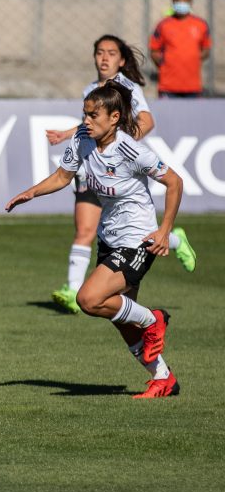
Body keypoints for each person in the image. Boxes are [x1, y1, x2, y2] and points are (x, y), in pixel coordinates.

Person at [6, 81, 183, 399]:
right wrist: (31, 192)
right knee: (121, 319)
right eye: (84, 114)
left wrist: (164, 231)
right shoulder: (82, 140)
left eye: (93, 115)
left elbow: (174, 182)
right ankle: (163, 379)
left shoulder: (131, 150)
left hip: (138, 238)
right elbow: (62, 176)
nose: (86, 121)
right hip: (110, 238)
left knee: (88, 300)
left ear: (114, 117)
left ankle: (154, 318)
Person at [45, 34, 196, 314]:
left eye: (111, 53)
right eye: (99, 52)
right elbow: (88, 126)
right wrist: (68, 135)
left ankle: (172, 239)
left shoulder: (127, 88)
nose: (104, 58)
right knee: (84, 229)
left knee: (128, 282)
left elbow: (147, 121)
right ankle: (72, 289)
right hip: (90, 164)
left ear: (122, 59)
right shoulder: (91, 88)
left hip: (117, 170)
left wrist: (118, 144)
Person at [149, 0, 211, 97]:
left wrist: (193, 58)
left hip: (193, 87)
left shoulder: (201, 24)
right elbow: (154, 50)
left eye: (185, 1)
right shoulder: (163, 25)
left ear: (191, 2)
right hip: (167, 87)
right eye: (178, 0)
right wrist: (165, 63)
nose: (181, 4)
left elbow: (206, 49)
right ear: (173, 1)